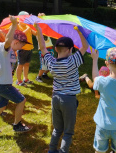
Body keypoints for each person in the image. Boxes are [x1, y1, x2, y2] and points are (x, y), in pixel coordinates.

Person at [35, 23, 88, 153]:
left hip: (56, 99)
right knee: (68, 131)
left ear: (56, 49)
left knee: (57, 129)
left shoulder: (51, 62)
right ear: (70, 50)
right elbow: (85, 46)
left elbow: (42, 47)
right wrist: (80, 32)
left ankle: (51, 150)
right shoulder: (73, 61)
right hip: (69, 100)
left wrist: (38, 30)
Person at [0, 16, 32, 139]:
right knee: (21, 100)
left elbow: (8, 39)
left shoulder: (4, 48)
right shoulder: (6, 48)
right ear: (16, 42)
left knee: (0, 107)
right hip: (2, 85)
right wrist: (14, 24)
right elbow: (9, 39)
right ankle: (17, 125)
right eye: (22, 44)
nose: (23, 47)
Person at [16, 11, 37, 87]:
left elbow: (36, 33)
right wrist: (29, 28)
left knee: (27, 64)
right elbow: (20, 35)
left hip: (29, 48)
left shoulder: (28, 26)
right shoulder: (18, 26)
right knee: (20, 65)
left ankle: (26, 78)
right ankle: (18, 80)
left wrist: (36, 26)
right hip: (22, 49)